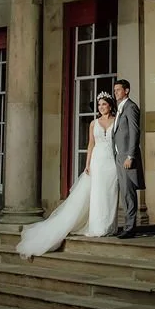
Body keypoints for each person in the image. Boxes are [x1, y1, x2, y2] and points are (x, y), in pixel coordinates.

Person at [16, 92, 120, 260]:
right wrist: (87, 164)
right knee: (98, 194)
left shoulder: (116, 121)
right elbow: (91, 144)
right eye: (99, 105)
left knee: (111, 192)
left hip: (112, 162)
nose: (101, 107)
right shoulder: (94, 123)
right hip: (98, 161)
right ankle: (98, 227)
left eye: (104, 104)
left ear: (110, 105)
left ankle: (110, 226)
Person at [111, 78, 145, 238]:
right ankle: (127, 225)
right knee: (124, 192)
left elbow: (134, 132)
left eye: (118, 89)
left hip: (126, 157)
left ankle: (130, 227)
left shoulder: (131, 107)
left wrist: (130, 156)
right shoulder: (119, 109)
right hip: (118, 156)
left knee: (128, 193)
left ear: (127, 90)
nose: (115, 92)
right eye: (115, 89)